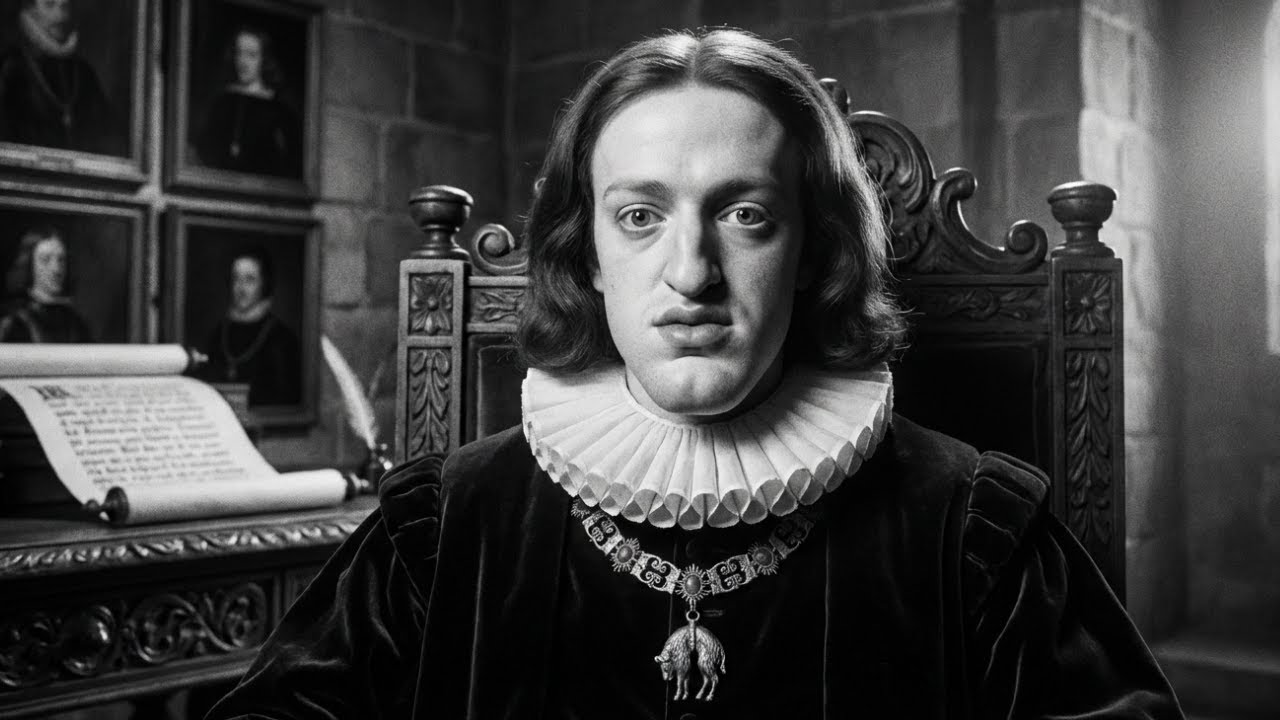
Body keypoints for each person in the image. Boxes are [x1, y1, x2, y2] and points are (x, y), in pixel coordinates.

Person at [206, 29, 1184, 719]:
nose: (690, 272)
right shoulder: (437, 530)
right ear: (587, 252)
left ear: (812, 250)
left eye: (744, 215)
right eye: (639, 216)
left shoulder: (978, 532)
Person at [0, 0, 125, 155]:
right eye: (50, 5)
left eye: (64, 7)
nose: (61, 16)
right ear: (29, 11)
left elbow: (107, 135)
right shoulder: (9, 69)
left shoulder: (82, 71)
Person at [197, 248, 301, 407]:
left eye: (250, 280)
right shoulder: (218, 333)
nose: (241, 288)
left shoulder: (282, 338)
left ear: (264, 284)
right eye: (236, 279)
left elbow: (286, 398)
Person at [193, 25, 301, 178]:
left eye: (251, 55)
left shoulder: (280, 110)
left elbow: (287, 160)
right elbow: (205, 149)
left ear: (264, 59)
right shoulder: (222, 102)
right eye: (239, 53)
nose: (243, 62)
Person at [0, 226, 91, 343]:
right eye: (45, 260)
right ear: (29, 264)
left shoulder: (75, 321)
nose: (56, 269)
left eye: (61, 260)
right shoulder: (13, 321)